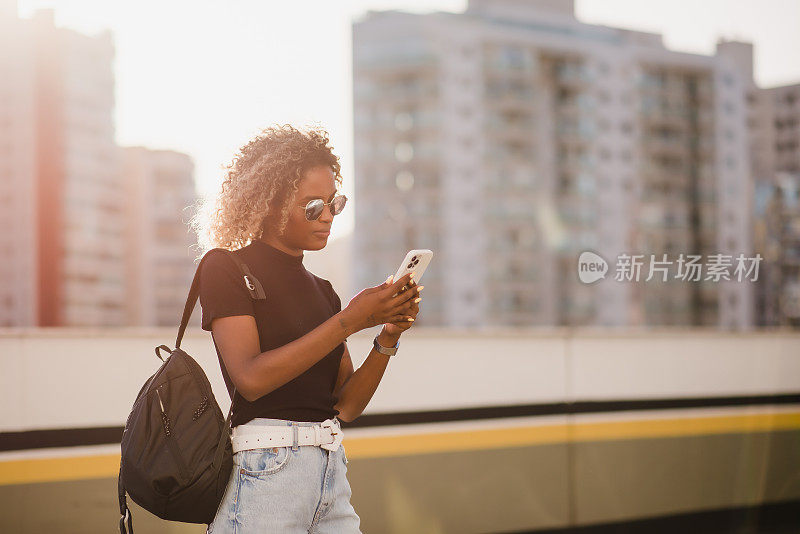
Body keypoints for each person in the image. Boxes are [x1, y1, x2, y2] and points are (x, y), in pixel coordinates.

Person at [190, 124, 423, 533]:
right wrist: (350, 320)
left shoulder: (325, 293)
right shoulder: (226, 268)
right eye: (314, 206)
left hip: (331, 471)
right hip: (266, 472)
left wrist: (387, 336)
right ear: (270, 204)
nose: (329, 216)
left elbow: (346, 405)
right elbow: (250, 379)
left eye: (335, 203)